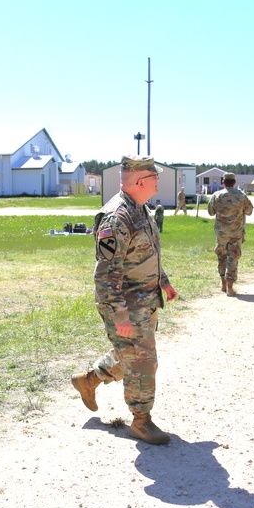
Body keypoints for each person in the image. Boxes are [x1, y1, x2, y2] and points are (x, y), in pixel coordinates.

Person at [71, 155, 179, 445]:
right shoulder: (118, 217)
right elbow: (106, 273)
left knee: (131, 354)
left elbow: (145, 254)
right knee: (143, 361)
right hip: (127, 304)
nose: (158, 181)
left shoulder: (139, 209)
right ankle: (141, 421)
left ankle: (89, 380)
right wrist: (119, 315)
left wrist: (163, 283)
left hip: (144, 301)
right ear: (141, 181)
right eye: (154, 177)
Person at [207, 172, 254, 297]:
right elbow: (249, 211)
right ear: (234, 182)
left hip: (221, 233)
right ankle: (229, 288)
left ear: (223, 182)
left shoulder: (216, 196)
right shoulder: (241, 196)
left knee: (222, 257)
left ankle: (223, 283)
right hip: (236, 234)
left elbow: (210, 212)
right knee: (232, 259)